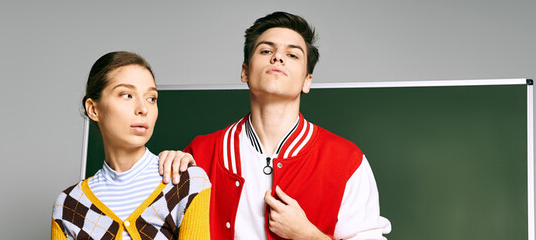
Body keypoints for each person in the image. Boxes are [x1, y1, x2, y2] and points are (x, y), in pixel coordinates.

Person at [158, 12, 391, 239]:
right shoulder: (200, 153)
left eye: (292, 55)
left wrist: (308, 235)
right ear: (245, 72)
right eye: (266, 50)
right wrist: (165, 168)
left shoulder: (347, 160)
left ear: (307, 81)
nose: (277, 58)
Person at [51, 51, 211, 240]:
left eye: (151, 98)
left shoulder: (186, 183)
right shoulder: (69, 205)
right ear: (93, 109)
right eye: (127, 95)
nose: (143, 109)